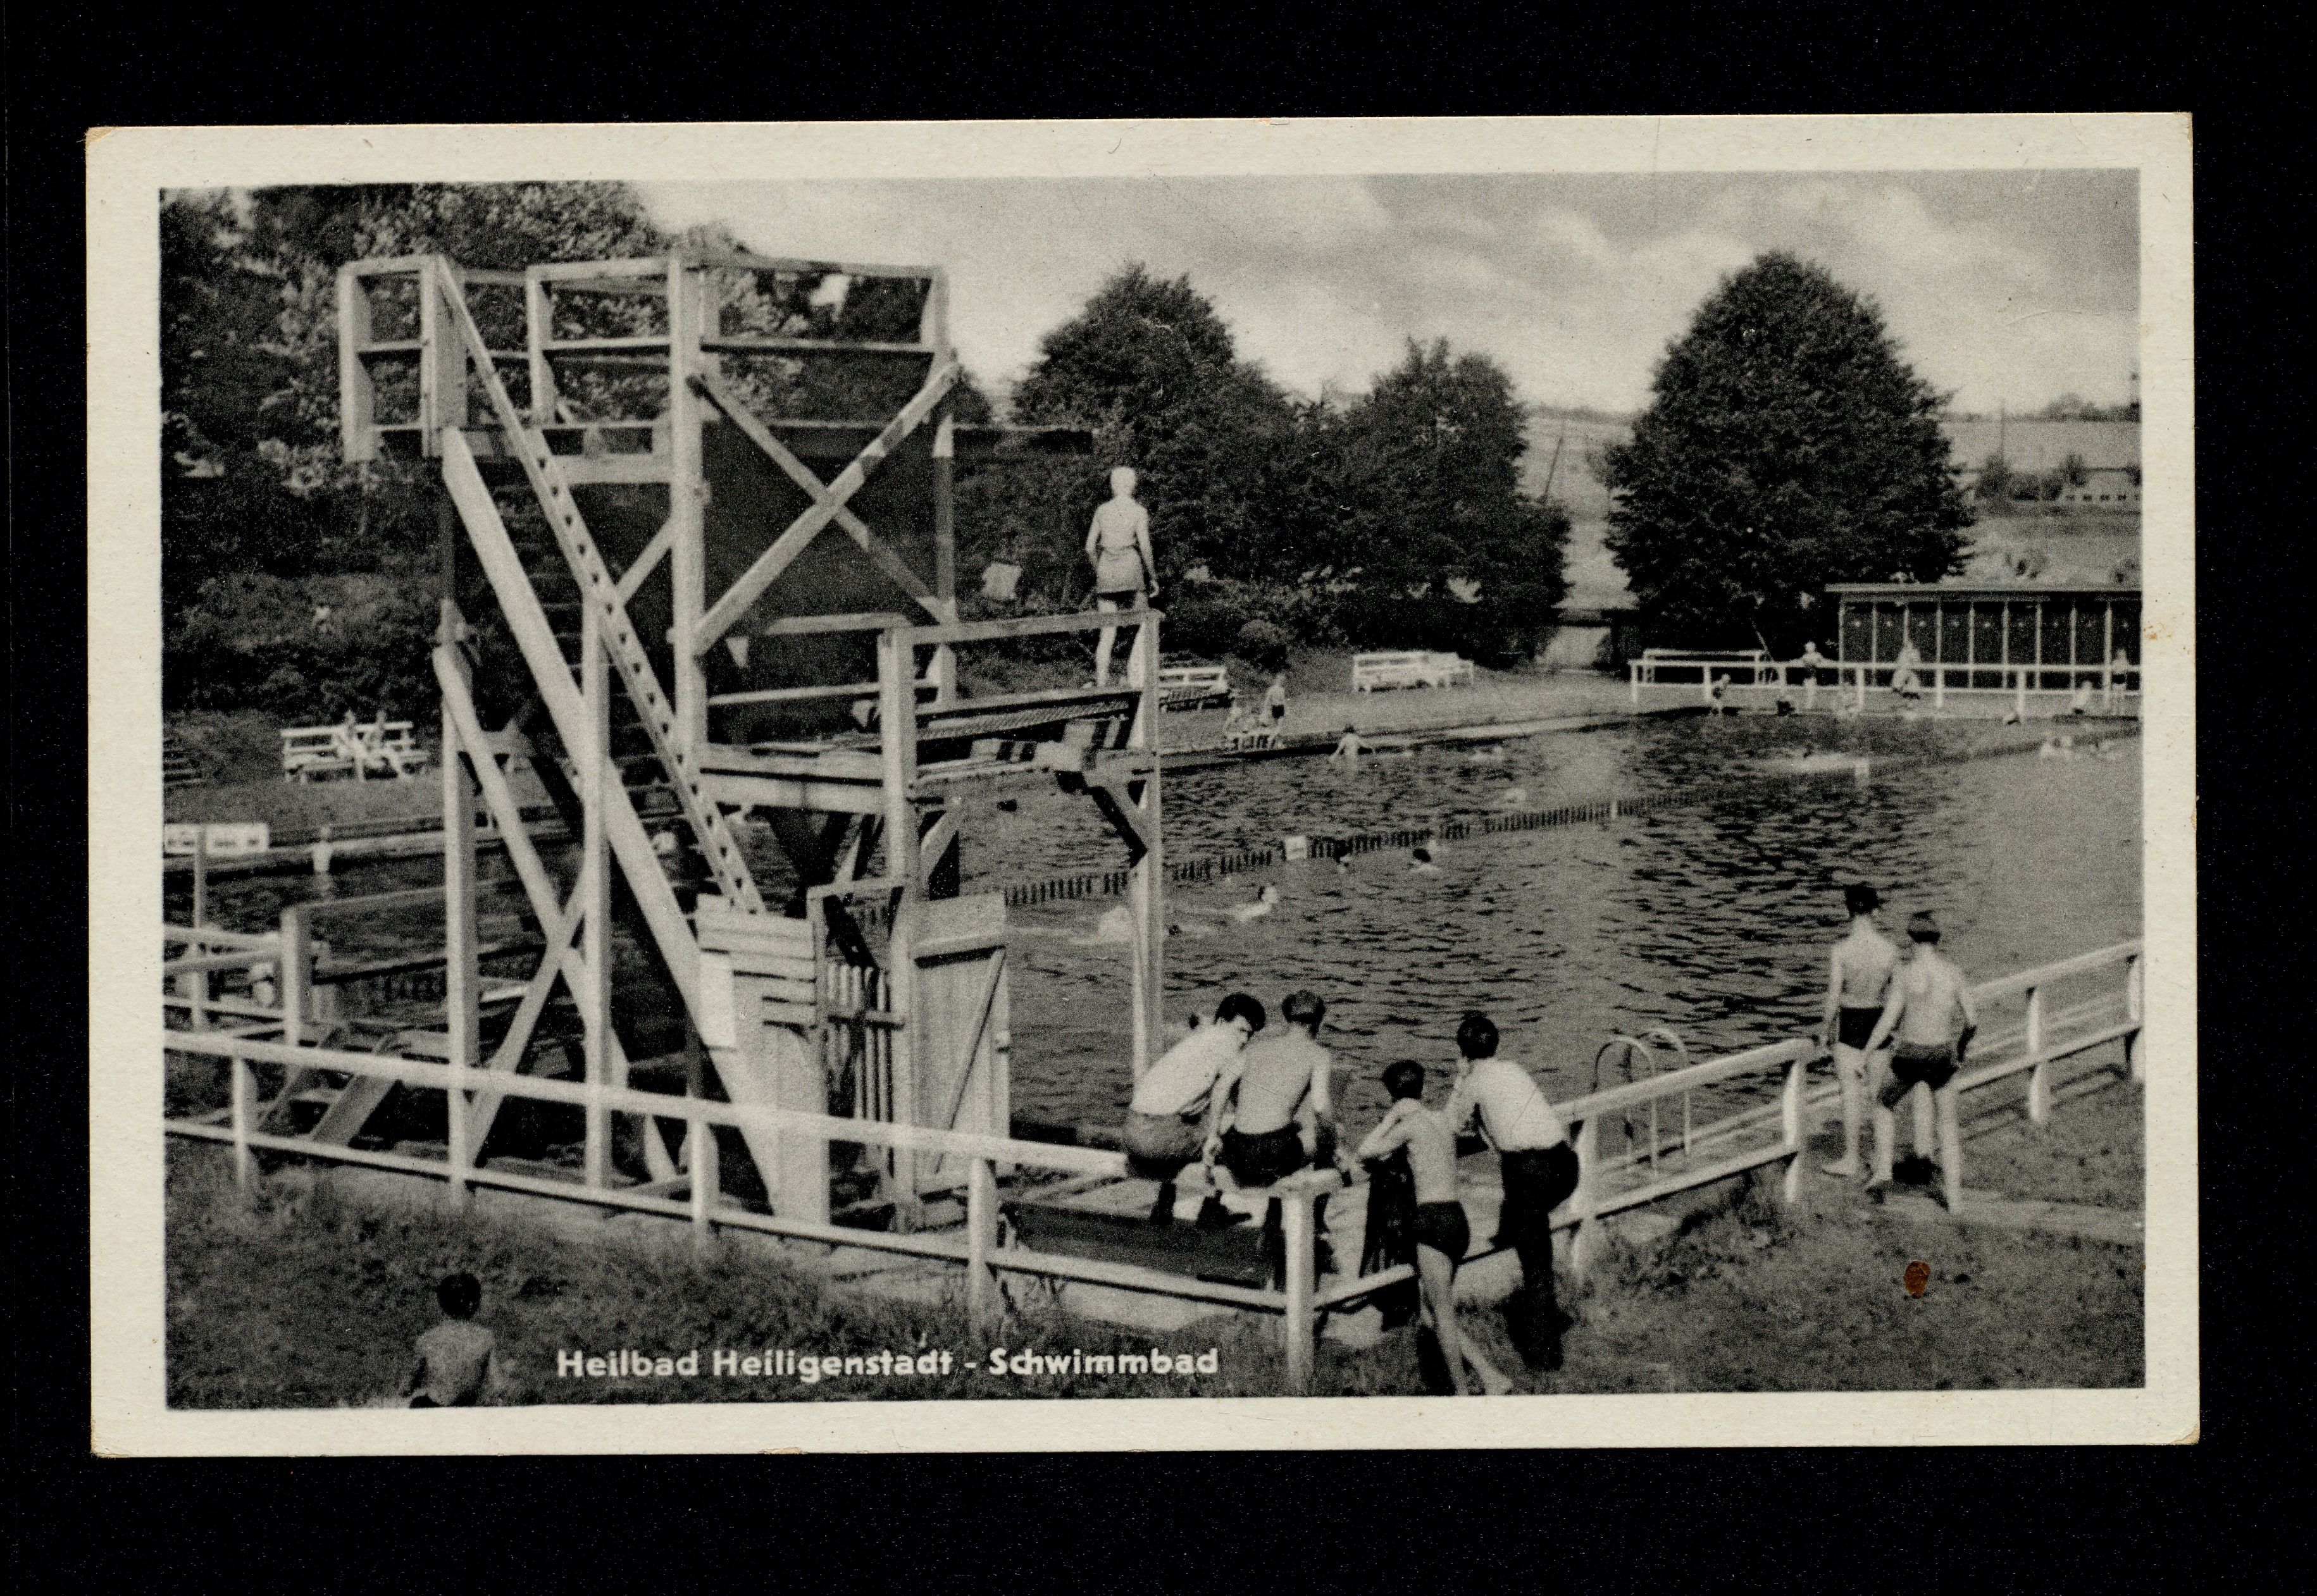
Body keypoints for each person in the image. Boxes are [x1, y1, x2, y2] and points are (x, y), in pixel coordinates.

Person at [1358, 1060, 1513, 1396]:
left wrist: (1391, 1117)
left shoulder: (1409, 1126)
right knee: (1432, 1313)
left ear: (1393, 1095)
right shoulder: (1442, 1120)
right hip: (1458, 1219)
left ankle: (1463, 1392)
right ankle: (1491, 1377)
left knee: (1442, 1314)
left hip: (1431, 1222)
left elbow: (1366, 1151)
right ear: (1422, 1088)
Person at [1445, 1011, 1579, 1372]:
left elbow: (1450, 1125)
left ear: (1463, 1052)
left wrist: (1460, 1080)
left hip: (1531, 1173)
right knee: (1523, 1211)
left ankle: (1545, 1360)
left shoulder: (1473, 1082)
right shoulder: (1514, 1070)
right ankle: (1512, 1228)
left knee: (1536, 1267)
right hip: (1566, 1166)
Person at [1207, 989, 1343, 1276]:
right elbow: (1320, 1105)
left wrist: (1213, 1135)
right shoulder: (1318, 1054)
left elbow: (1220, 1088)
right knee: (1323, 1135)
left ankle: (1271, 1225)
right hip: (1271, 1154)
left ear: (1287, 1020)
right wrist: (1337, 1141)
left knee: (1286, 1131)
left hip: (1236, 1151)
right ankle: (1316, 1227)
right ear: (1318, 1023)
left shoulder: (1255, 1049)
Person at [1864, 912, 1978, 1208]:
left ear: (1911, 940)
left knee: (1883, 1103)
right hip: (1942, 1053)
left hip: (1910, 1054)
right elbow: (1972, 1022)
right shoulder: (1953, 973)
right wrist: (1960, 1049)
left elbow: (1889, 1020)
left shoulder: (1904, 974)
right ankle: (1954, 1199)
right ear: (1937, 940)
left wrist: (1865, 1053)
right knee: (1947, 1124)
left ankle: (1883, 1172)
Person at [1123, 993, 1265, 1225]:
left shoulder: (1196, 1041)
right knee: (1233, 1136)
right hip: (1158, 1141)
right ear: (1222, 1022)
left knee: (1194, 1119)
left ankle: (1164, 1203)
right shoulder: (1229, 1049)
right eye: (1241, 1030)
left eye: (1250, 1034)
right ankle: (1211, 1209)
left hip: (1131, 1132)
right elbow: (1242, 1106)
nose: (1244, 1040)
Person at [1819, 883, 1901, 1179]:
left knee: (1851, 1094)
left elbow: (1833, 997)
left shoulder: (1841, 950)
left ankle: (1852, 1159)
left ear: (1848, 912)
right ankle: (1882, 1163)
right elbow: (1897, 997)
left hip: (1850, 1023)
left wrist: (1823, 1030)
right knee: (1880, 1097)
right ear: (1876, 911)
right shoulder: (1890, 951)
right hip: (1878, 1021)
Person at [1084, 466, 1157, 686]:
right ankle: (1136, 680)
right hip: (1131, 570)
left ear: (1113, 486)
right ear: (1133, 486)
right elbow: (1145, 547)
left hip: (1107, 570)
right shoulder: (1139, 511)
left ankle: (1101, 683)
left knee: (1107, 633)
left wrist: (1100, 571)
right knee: (1143, 627)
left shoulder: (1102, 510)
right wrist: (1153, 576)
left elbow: (1089, 548)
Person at [405, 1272, 498, 1408]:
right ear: (473, 1304)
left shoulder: (426, 1339)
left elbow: (406, 1387)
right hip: (467, 1410)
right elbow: (499, 1385)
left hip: (434, 1409)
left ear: (442, 1304)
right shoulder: (485, 1337)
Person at [1262, 674, 1289, 742]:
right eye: (1282, 680)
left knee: (1278, 726)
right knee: (1279, 726)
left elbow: (1283, 700)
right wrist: (1265, 710)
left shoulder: (1278, 689)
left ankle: (1276, 741)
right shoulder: (1276, 689)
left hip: (1277, 707)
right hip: (1277, 707)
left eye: (1283, 681)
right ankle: (1270, 738)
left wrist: (1286, 709)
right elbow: (1268, 700)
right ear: (1277, 680)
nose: (1282, 682)